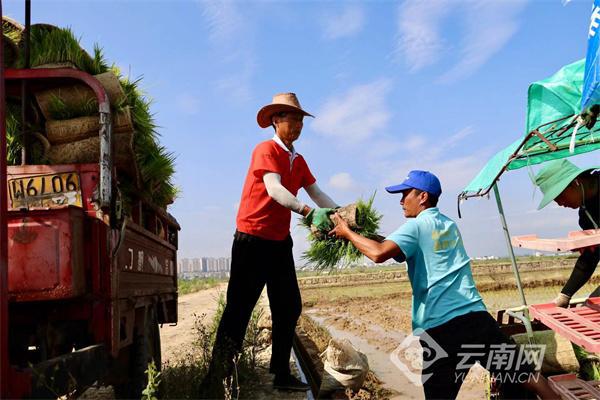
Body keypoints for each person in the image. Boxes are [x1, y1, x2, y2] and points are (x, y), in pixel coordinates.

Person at [329, 170, 557, 399]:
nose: (401, 201)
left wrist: (347, 233)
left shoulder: (415, 226)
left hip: (441, 329)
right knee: (526, 375)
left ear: (423, 197)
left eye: (405, 193)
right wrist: (366, 234)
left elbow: (379, 254)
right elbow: (397, 250)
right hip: (476, 318)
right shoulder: (448, 225)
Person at [203, 93, 338, 395]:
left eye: (302, 119)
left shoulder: (297, 159)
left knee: (289, 306)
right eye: (293, 118)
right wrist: (307, 213)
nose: (299, 124)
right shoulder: (266, 150)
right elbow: (274, 188)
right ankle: (215, 381)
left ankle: (280, 372)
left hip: (279, 242)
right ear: (276, 120)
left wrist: (340, 215)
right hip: (252, 240)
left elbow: (317, 193)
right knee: (239, 311)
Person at [534, 159, 600, 307]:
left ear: (575, 182)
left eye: (560, 196)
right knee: (589, 312)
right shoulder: (586, 217)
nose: (560, 203)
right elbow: (591, 256)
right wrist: (565, 294)